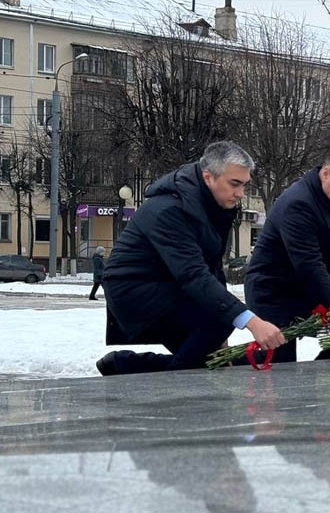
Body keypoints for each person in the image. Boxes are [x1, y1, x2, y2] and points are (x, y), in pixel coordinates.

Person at [96, 141, 285, 375]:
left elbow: (212, 266)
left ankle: (126, 365)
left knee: (206, 362)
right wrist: (252, 322)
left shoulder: (213, 205)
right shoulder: (169, 209)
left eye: (245, 185)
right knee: (216, 324)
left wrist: (221, 332)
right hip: (135, 290)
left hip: (169, 286)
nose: (240, 194)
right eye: (235, 184)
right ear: (208, 177)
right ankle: (127, 365)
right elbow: (193, 274)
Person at [244, 150, 330, 363]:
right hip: (273, 289)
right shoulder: (298, 204)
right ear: (325, 174)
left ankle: (326, 367)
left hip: (303, 286)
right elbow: (310, 267)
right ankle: (226, 364)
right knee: (278, 362)